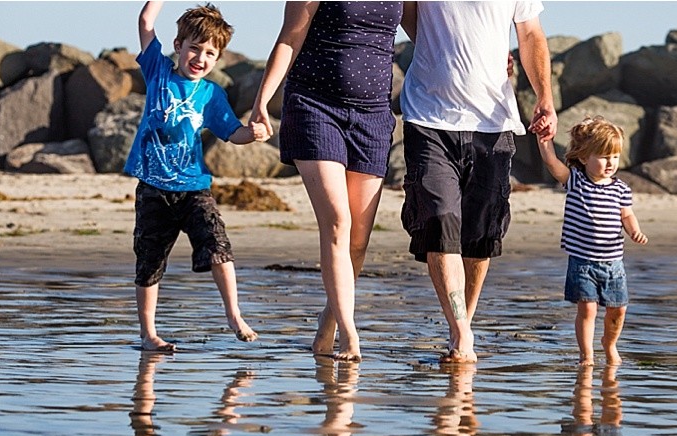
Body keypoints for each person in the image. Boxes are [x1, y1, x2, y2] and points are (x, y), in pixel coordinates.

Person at [398, 1, 557, 364]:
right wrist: (444, 49)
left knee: (480, 235)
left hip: (493, 121)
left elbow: (530, 33)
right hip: (429, 116)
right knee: (439, 221)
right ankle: (459, 331)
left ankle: (463, 323)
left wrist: (544, 97)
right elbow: (408, 13)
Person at [248, 1, 404, 362]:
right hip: (315, 106)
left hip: (373, 115)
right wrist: (262, 102)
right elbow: (291, 37)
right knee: (338, 221)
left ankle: (330, 320)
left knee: (359, 241)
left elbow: (430, 34)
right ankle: (350, 336)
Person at [125, 1, 267, 352]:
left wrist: (255, 133)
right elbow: (145, 20)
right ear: (178, 46)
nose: (200, 58)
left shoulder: (211, 95)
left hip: (194, 188)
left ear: (217, 60)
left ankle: (234, 314)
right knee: (149, 260)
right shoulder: (157, 71)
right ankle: (149, 334)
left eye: (209, 53)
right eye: (194, 48)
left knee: (218, 245)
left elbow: (232, 133)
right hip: (153, 188)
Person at [536, 116, 648, 366]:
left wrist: (634, 231)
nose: (610, 163)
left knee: (618, 310)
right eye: (604, 157)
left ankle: (609, 344)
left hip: (613, 264)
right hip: (582, 262)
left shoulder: (620, 188)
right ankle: (586, 355)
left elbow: (627, 214)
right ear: (585, 157)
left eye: (615, 157)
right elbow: (552, 163)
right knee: (587, 310)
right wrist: (544, 140)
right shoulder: (576, 181)